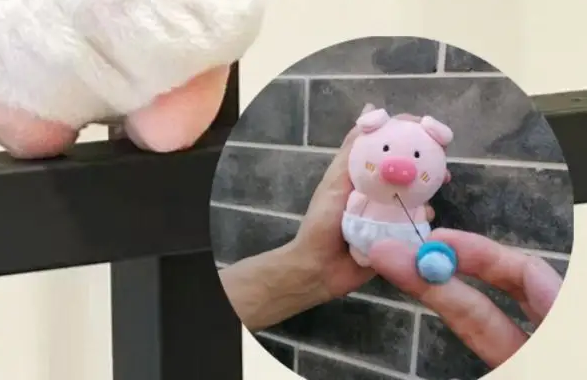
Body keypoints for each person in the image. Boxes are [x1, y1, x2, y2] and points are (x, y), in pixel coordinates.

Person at [217, 107, 563, 369]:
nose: (400, 167)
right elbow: (354, 204)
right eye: (384, 149)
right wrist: (312, 265)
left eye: (417, 157)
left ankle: (428, 257)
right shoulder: (361, 197)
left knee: (428, 238)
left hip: (403, 244)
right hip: (360, 243)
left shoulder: (412, 205)